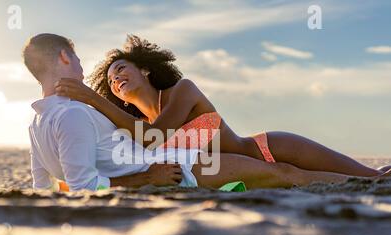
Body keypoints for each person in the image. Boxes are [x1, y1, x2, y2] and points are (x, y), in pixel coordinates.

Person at [23, 33, 387, 192]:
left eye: (122, 69)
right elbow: (138, 145)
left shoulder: (182, 91)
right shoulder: (135, 129)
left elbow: (156, 137)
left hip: (271, 148)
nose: (116, 78)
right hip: (238, 170)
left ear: (145, 70)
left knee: (371, 177)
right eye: (110, 79)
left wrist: (92, 97)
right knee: (370, 178)